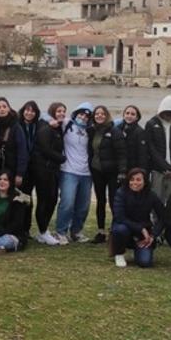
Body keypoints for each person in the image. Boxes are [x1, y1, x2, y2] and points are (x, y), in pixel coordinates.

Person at [110, 168, 164, 268]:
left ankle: (138, 251)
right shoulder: (121, 193)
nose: (135, 182)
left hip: (143, 234)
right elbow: (119, 217)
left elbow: (162, 217)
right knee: (120, 229)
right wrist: (141, 228)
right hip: (125, 227)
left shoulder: (151, 195)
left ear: (145, 182)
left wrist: (153, 235)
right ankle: (119, 253)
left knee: (145, 262)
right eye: (132, 179)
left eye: (138, 180)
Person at [56, 102, 94, 244]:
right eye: (81, 114)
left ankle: (76, 231)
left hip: (86, 173)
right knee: (67, 203)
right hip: (68, 170)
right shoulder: (67, 124)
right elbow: (46, 116)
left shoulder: (91, 130)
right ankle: (61, 231)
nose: (83, 118)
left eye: (86, 116)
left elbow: (112, 123)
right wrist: (52, 120)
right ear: (76, 113)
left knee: (83, 205)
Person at [29, 102, 66, 246]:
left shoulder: (58, 127)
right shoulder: (46, 127)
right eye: (58, 111)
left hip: (53, 169)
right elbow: (45, 149)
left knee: (53, 199)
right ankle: (43, 231)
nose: (61, 113)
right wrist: (62, 158)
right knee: (44, 200)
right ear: (52, 112)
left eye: (63, 111)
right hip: (42, 169)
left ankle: (43, 231)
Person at [144, 95, 171, 201]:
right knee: (156, 198)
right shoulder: (151, 124)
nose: (169, 115)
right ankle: (156, 218)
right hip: (157, 170)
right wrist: (164, 167)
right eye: (167, 112)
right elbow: (151, 148)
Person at [87, 105, 118, 244]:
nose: (99, 116)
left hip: (112, 171)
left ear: (107, 115)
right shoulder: (91, 131)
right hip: (97, 170)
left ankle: (115, 230)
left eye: (102, 114)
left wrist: (122, 172)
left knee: (114, 201)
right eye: (97, 114)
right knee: (100, 201)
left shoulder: (114, 131)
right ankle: (101, 231)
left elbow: (121, 152)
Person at [0, 97, 28, 189]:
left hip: (12, 168)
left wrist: (20, 173)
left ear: (9, 108)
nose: (2, 109)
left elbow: (22, 151)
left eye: (4, 106)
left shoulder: (16, 127)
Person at [113, 104, 149, 189]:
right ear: (124, 115)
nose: (129, 116)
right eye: (127, 113)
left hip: (133, 169)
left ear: (137, 117)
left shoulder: (140, 132)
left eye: (133, 114)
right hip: (118, 169)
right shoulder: (117, 129)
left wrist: (141, 173)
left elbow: (142, 155)